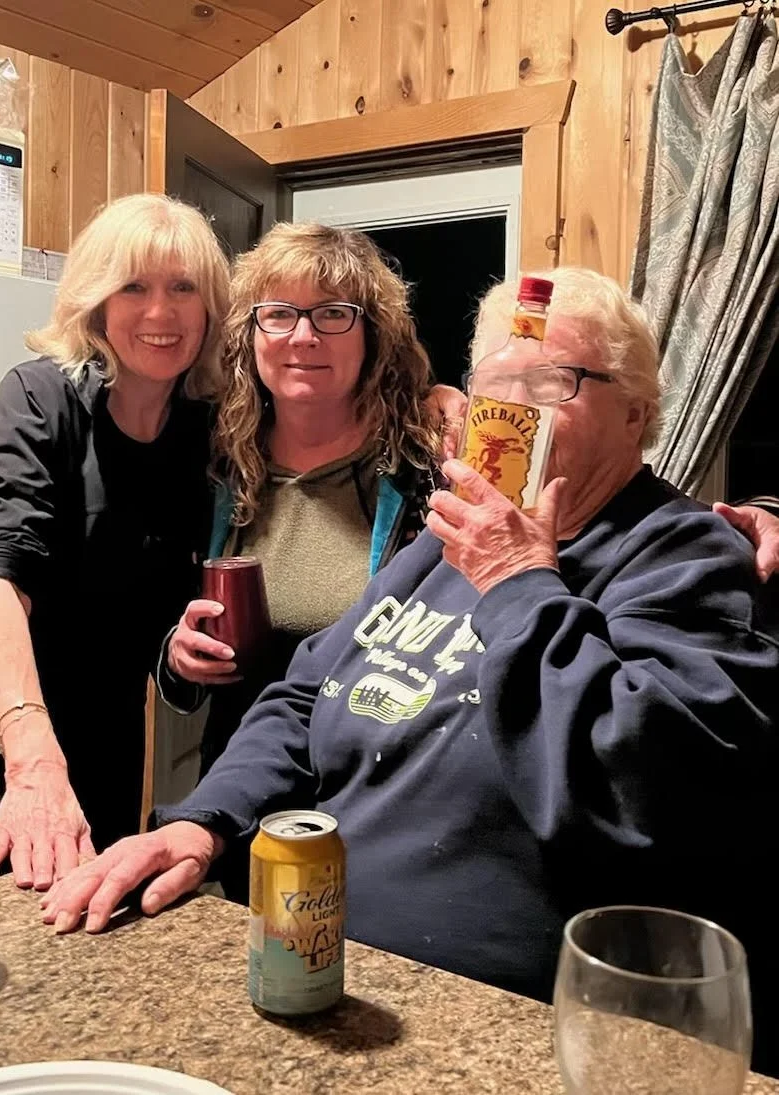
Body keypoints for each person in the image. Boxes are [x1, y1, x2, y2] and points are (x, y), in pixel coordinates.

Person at [42, 266, 779, 1067]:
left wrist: (520, 582)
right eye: (497, 383)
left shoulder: (684, 555)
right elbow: (303, 694)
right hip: (314, 967)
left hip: (492, 1027)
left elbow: (638, 791)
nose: (516, 410)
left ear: (636, 413)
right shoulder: (448, 540)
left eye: (553, 381)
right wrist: (204, 819)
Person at [0, 193, 229, 888]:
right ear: (96, 302)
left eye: (183, 288)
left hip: (105, 714)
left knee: (95, 910)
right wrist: (32, 756)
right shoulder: (37, 400)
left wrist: (177, 651)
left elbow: (164, 599)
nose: (161, 313)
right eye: (133, 286)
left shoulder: (209, 431)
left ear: (210, 307)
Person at [155, 223, 445, 805]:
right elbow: (158, 609)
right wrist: (177, 653)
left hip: (380, 790)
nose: (304, 337)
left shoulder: (427, 472)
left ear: (372, 335)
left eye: (334, 314)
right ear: (250, 334)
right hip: (241, 784)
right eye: (279, 313)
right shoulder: (211, 464)